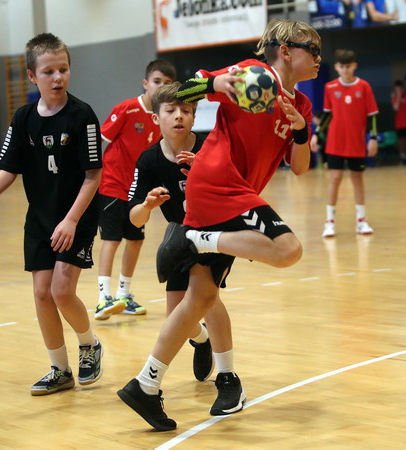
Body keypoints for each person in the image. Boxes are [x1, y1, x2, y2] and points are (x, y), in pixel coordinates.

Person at [117, 19, 320, 431]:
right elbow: (177, 92)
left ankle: (146, 384)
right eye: (312, 49)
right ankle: (198, 239)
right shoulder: (253, 73)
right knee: (288, 250)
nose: (319, 57)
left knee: (201, 299)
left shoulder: (301, 104)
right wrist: (215, 85)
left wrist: (301, 132)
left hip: (229, 193)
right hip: (220, 184)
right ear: (285, 51)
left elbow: (300, 168)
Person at [0, 33, 103, 395]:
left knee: (62, 291)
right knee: (42, 293)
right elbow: (9, 168)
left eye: (63, 69)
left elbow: (93, 175)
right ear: (32, 76)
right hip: (40, 218)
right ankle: (59, 369)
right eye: (48, 71)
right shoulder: (23, 118)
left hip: (76, 216)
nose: (58, 77)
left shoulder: (82, 115)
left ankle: (89, 344)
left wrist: (71, 220)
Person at [125, 81, 238, 402]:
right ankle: (201, 339)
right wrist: (147, 206)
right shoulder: (148, 160)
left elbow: (236, 188)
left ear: (194, 116)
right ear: (156, 118)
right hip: (181, 235)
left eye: (186, 110)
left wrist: (204, 171)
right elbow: (134, 218)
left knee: (208, 299)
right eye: (171, 110)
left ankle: (227, 374)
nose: (179, 116)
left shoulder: (211, 146)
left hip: (216, 231)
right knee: (177, 316)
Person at [94, 60, 176, 320]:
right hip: (113, 184)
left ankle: (123, 294)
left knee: (136, 240)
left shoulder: (164, 116)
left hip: (138, 189)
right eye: (157, 81)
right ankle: (103, 298)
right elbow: (100, 139)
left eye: (167, 83)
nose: (161, 87)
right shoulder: (127, 109)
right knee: (112, 239)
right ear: (145, 83)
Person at [310, 49, 379, 238]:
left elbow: (372, 115)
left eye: (348, 66)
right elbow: (327, 114)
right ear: (336, 67)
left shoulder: (364, 86)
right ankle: (329, 222)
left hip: (356, 143)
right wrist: (316, 135)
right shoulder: (330, 87)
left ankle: (361, 220)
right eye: (342, 66)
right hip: (335, 143)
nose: (345, 70)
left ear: (354, 66)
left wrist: (373, 138)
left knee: (357, 179)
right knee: (335, 179)